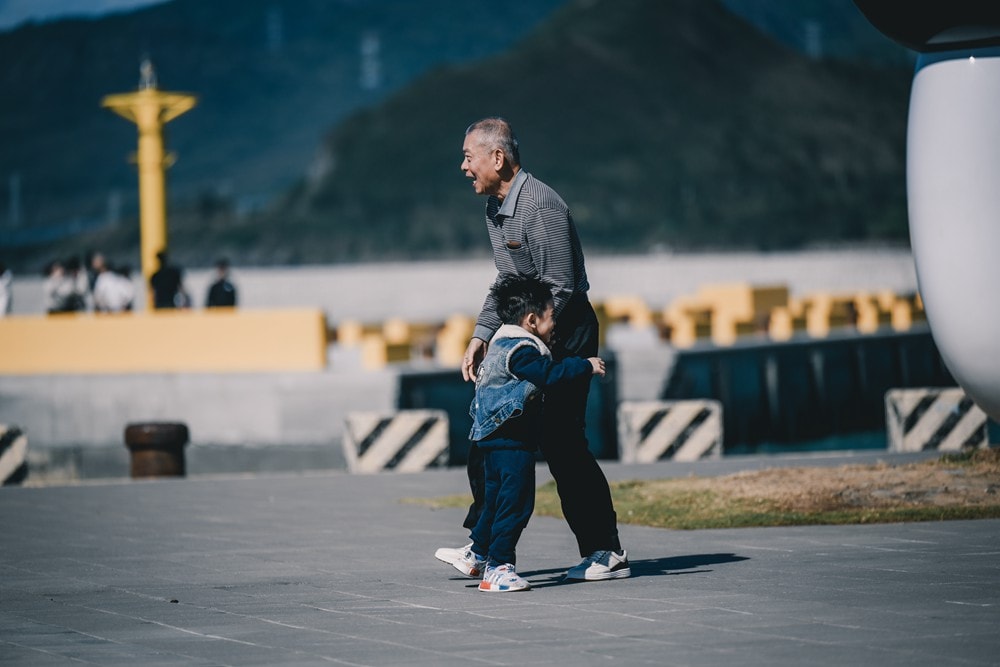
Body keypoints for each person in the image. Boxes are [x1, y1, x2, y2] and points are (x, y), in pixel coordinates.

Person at [436, 117, 630, 581]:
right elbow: (508, 286)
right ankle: (482, 548)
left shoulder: (540, 205)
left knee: (564, 445)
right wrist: (483, 336)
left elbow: (559, 289)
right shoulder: (495, 209)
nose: (464, 166)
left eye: (469, 156)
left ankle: (606, 550)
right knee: (491, 432)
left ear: (497, 159)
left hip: (563, 331)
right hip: (526, 333)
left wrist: (520, 344)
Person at [445, 275, 607, 592]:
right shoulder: (522, 350)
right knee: (515, 503)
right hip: (512, 441)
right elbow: (547, 375)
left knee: (494, 500)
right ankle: (499, 568)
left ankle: (478, 552)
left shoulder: (500, 342)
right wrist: (584, 365)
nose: (555, 323)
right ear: (532, 320)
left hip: (491, 440)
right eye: (550, 316)